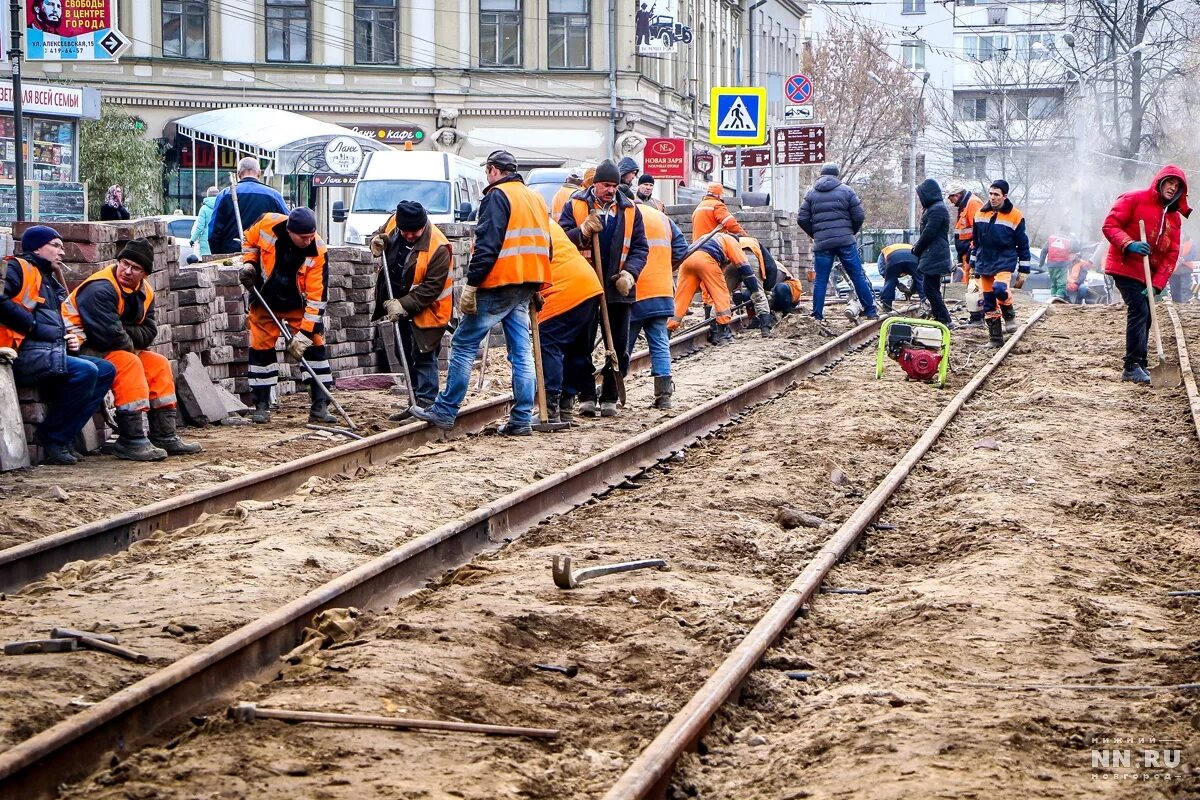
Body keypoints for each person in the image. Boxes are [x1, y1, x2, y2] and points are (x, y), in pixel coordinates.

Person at [410, 150, 551, 434]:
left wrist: (472, 284)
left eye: (488, 172)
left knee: (463, 345)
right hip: (527, 282)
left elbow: (488, 244)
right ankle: (522, 418)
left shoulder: (497, 196)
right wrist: (536, 284)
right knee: (522, 352)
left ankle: (445, 409)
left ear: (493, 170)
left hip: (498, 282)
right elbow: (548, 244)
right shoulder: (534, 198)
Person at [61, 239, 201, 460]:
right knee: (128, 363)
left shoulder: (145, 292)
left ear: (145, 273)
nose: (127, 271)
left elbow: (149, 333)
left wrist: (123, 329)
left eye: (135, 268)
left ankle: (164, 434)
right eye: (124, 263)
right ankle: (131, 440)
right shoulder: (100, 288)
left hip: (109, 345)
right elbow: (108, 336)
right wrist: (127, 333)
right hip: (80, 346)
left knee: (158, 364)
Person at [0, 226, 115, 465]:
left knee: (105, 370)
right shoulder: (18, 268)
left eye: (62, 247)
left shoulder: (49, 279)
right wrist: (30, 324)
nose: (62, 252)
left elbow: (59, 320)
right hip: (18, 352)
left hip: (46, 350)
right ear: (36, 247)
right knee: (85, 371)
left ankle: (65, 435)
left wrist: (71, 338)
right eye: (55, 245)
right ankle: (52, 438)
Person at [559, 158, 649, 417]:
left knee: (619, 344)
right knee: (580, 344)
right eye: (606, 185)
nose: (610, 190)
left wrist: (630, 274)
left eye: (614, 185)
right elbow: (561, 241)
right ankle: (586, 394)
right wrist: (583, 231)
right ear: (595, 185)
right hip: (583, 286)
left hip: (617, 288)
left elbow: (640, 246)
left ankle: (609, 395)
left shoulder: (630, 210)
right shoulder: (576, 205)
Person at [238, 208, 335, 424]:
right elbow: (248, 240)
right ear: (290, 231)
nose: (309, 240)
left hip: (298, 305)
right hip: (266, 298)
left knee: (314, 348)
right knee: (261, 350)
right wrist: (250, 264)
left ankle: (320, 405)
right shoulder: (266, 225)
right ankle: (261, 405)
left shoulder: (317, 250)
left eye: (312, 235)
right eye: (304, 237)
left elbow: (317, 299)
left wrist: (305, 334)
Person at [1101, 165, 1190, 383]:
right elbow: (1110, 225)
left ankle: (1140, 363)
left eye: (1177, 186)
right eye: (1170, 183)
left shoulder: (1174, 219)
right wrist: (1129, 244)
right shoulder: (1134, 199)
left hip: (1148, 274)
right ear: (1160, 182)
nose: (1172, 188)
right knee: (1139, 308)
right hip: (1125, 266)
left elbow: (1171, 254)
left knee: (1147, 313)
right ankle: (1131, 366)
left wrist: (1158, 284)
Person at [369, 200, 453, 420]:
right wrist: (379, 241)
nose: (409, 236)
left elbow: (431, 288)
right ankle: (413, 402)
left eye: (414, 232)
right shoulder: (395, 222)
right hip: (398, 303)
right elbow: (381, 234)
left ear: (423, 224)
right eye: (404, 232)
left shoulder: (438, 247)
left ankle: (426, 404)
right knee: (403, 353)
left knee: (423, 355)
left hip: (429, 310)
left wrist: (403, 304)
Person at [537, 219, 603, 423]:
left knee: (549, 345)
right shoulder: (546, 221)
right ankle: (566, 403)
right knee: (577, 349)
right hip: (589, 286)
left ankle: (550, 409)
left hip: (562, 290)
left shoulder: (522, 224)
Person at [629, 187, 686, 408]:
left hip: (635, 291)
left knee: (624, 344)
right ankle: (664, 396)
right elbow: (681, 250)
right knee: (660, 342)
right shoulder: (663, 218)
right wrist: (664, 267)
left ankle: (610, 393)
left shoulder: (628, 217)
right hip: (662, 291)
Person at [797, 163, 876, 321]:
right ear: (837, 175)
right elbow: (859, 215)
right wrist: (850, 232)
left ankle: (817, 315)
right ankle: (870, 311)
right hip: (845, 241)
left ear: (822, 175)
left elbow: (802, 219)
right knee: (857, 275)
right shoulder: (847, 191)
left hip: (823, 244)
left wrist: (816, 234)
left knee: (821, 279)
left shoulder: (811, 194)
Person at [972, 179, 1033, 348]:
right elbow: (975, 242)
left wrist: (1024, 269)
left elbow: (1023, 244)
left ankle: (1009, 313)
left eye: (996, 195)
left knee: (1000, 288)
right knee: (989, 301)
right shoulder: (979, 214)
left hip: (1005, 260)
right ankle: (995, 338)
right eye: (990, 194)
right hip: (985, 261)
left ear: (1004, 196)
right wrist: (973, 264)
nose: (992, 197)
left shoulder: (1015, 216)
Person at [670, 231, 746, 345]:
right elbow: (743, 266)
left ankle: (667, 331)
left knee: (681, 299)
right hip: (706, 259)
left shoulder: (710, 238)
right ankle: (724, 336)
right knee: (722, 295)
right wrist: (754, 288)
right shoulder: (732, 241)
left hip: (687, 260)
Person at [209, 157, 289, 255]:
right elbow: (288, 226)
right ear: (259, 173)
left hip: (231, 254)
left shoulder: (225, 194)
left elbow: (214, 232)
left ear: (238, 174)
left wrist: (218, 254)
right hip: (264, 255)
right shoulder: (274, 195)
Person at [909, 178, 953, 326]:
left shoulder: (937, 209)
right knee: (932, 288)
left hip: (935, 254)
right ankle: (941, 317)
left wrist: (917, 248)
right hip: (933, 253)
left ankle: (944, 319)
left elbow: (929, 232)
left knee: (929, 288)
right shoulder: (933, 208)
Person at [947, 181, 985, 326]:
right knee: (970, 285)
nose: (950, 201)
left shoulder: (973, 204)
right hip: (967, 253)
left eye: (951, 198)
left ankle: (978, 317)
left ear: (957, 195)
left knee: (974, 285)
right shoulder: (965, 205)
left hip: (972, 253)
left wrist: (972, 249)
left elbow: (979, 229)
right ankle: (975, 316)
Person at [876, 243, 924, 313]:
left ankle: (887, 306)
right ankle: (927, 303)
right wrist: (905, 288)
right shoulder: (909, 247)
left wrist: (909, 291)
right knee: (920, 280)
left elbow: (884, 272)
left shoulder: (883, 254)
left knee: (889, 281)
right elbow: (918, 278)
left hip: (894, 257)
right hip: (913, 256)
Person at [1039, 229, 1078, 303]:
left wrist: (1041, 263)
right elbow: (1075, 249)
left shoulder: (1051, 238)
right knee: (1061, 283)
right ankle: (1058, 301)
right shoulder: (1068, 240)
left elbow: (1044, 250)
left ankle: (1052, 299)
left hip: (1050, 264)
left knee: (1053, 283)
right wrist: (1074, 239)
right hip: (1062, 264)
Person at [189, 186, 219, 258]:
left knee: (207, 263)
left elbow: (200, 227)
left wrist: (193, 240)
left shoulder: (204, 209)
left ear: (208, 195)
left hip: (206, 239)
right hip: (219, 237)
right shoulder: (222, 206)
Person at [1169, 233, 1194, 303]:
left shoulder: (1189, 241)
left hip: (1186, 269)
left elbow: (1193, 254)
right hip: (1174, 270)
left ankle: (1185, 307)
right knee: (1174, 290)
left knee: (1185, 289)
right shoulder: (1170, 240)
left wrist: (1183, 259)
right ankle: (1177, 305)